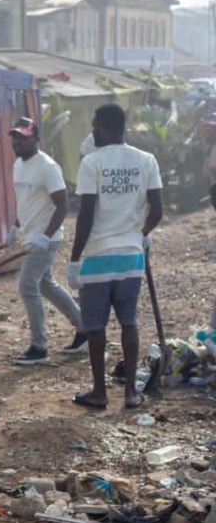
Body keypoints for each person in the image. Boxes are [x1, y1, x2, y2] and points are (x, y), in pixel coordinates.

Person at [68, 104, 163, 410]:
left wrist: (74, 259)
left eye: (95, 126)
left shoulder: (91, 163)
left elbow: (85, 215)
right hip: (131, 258)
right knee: (129, 323)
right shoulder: (146, 160)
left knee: (96, 327)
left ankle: (99, 392)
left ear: (107, 128)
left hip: (98, 257)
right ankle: (131, 393)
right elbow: (157, 210)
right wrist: (143, 233)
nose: (92, 132)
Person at [6, 117, 86, 365]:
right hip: (31, 234)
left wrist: (44, 236)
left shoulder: (48, 167)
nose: (18, 142)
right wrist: (15, 226)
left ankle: (39, 348)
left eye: (23, 137)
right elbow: (26, 201)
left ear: (36, 139)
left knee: (27, 285)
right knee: (45, 285)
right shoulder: (18, 165)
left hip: (45, 238)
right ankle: (84, 326)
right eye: (15, 137)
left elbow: (63, 205)